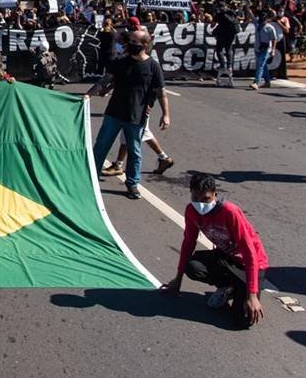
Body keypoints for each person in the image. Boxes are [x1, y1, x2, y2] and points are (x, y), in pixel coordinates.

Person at [159, 173, 268, 329]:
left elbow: (249, 252)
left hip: (250, 263)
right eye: (195, 198)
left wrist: (251, 294)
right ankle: (228, 287)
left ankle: (240, 289)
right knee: (193, 266)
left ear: (215, 195)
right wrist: (178, 279)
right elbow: (188, 243)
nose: (200, 204)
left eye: (206, 199)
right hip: (225, 257)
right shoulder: (191, 211)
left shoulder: (230, 211)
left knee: (243, 321)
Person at [89, 29, 171, 199]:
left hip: (136, 116)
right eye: (130, 41)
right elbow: (106, 79)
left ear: (145, 45)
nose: (131, 45)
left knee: (135, 152)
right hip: (114, 113)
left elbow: (161, 92)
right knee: (101, 146)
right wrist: (89, 93)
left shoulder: (153, 66)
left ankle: (132, 184)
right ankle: (91, 177)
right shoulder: (121, 62)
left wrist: (166, 115)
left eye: (135, 42)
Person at [211, 2, 239, 88]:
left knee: (219, 49)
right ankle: (229, 65)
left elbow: (212, 24)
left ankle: (223, 65)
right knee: (228, 49)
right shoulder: (231, 12)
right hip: (231, 34)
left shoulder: (219, 14)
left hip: (222, 34)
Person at [249, 10, 277, 90]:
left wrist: (273, 50)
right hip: (257, 48)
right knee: (263, 66)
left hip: (266, 49)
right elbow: (251, 15)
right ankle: (267, 82)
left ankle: (256, 82)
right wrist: (247, 8)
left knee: (260, 65)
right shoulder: (257, 24)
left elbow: (274, 39)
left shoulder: (270, 28)